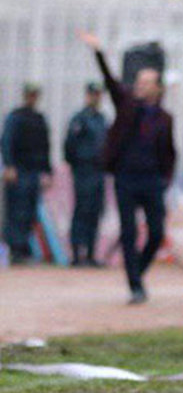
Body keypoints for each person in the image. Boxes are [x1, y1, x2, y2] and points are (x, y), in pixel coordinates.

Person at [82, 32, 176, 305]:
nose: (140, 85)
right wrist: (99, 52)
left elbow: (169, 152)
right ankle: (135, 285)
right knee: (129, 232)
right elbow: (111, 82)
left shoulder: (165, 119)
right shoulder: (127, 107)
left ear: (158, 87)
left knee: (156, 233)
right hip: (126, 178)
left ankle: (137, 273)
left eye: (147, 82)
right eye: (139, 81)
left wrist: (165, 179)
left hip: (152, 181)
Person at [2, 83, 52, 264]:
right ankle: (16, 250)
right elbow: (6, 142)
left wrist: (47, 172)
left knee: (30, 211)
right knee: (17, 211)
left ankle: (24, 249)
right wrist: (9, 166)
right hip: (19, 171)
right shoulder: (15, 117)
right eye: (30, 94)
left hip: (34, 172)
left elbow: (46, 147)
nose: (32, 97)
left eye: (35, 94)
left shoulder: (39, 119)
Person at [64, 83, 109, 267]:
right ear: (87, 95)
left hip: (98, 171)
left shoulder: (101, 119)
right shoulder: (79, 119)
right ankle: (76, 255)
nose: (96, 97)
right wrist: (78, 166)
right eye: (93, 94)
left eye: (98, 94)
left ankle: (90, 254)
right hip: (83, 170)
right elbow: (69, 147)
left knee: (95, 211)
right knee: (82, 210)